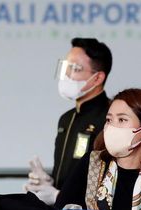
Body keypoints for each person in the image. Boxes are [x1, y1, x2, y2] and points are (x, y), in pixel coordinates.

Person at [49, 38, 113, 194]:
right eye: (66, 67)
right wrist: (48, 182)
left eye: (75, 69)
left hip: (90, 207)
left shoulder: (110, 119)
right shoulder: (66, 118)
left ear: (97, 78)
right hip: (58, 208)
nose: (67, 74)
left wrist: (60, 196)